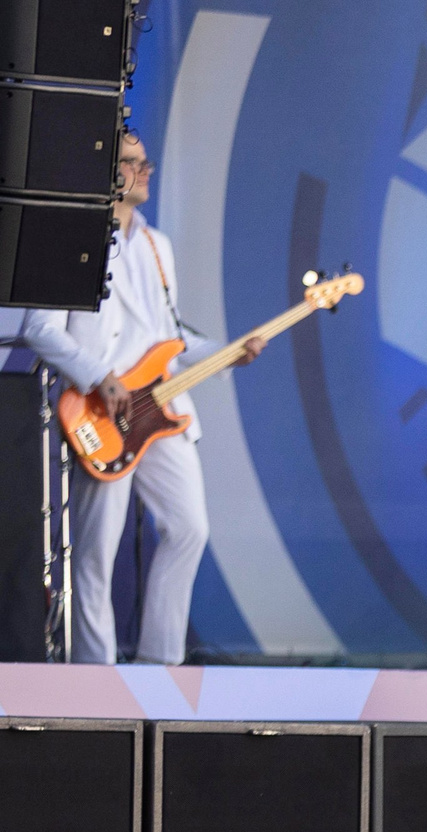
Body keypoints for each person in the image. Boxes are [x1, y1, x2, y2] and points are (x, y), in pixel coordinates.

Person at [22, 132, 264, 665]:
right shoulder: (71, 239)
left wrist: (228, 353)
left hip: (159, 410)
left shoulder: (159, 247)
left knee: (189, 527)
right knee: (95, 552)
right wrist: (98, 377)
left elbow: (170, 338)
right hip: (100, 411)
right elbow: (40, 328)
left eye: (145, 161)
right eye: (133, 163)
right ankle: (97, 679)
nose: (146, 170)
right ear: (107, 171)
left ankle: (161, 664)